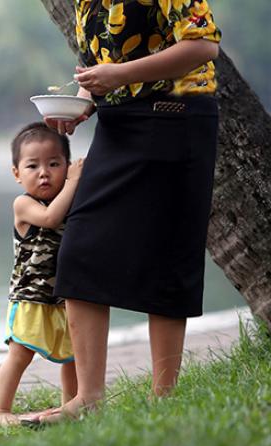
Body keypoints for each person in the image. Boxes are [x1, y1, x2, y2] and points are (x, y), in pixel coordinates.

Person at [30, 0, 222, 423]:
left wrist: (117, 75)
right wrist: (82, 102)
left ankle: (164, 399)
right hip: (118, 126)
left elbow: (204, 45)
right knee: (80, 249)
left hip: (177, 118)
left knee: (169, 258)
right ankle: (88, 400)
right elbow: (97, 68)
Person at [0, 122, 84, 425]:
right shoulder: (24, 204)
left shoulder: (71, 201)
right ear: (16, 173)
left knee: (73, 355)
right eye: (33, 165)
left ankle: (71, 407)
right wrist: (73, 183)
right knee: (20, 354)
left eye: (54, 164)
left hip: (64, 298)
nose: (44, 172)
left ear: (66, 166)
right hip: (30, 297)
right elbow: (50, 218)